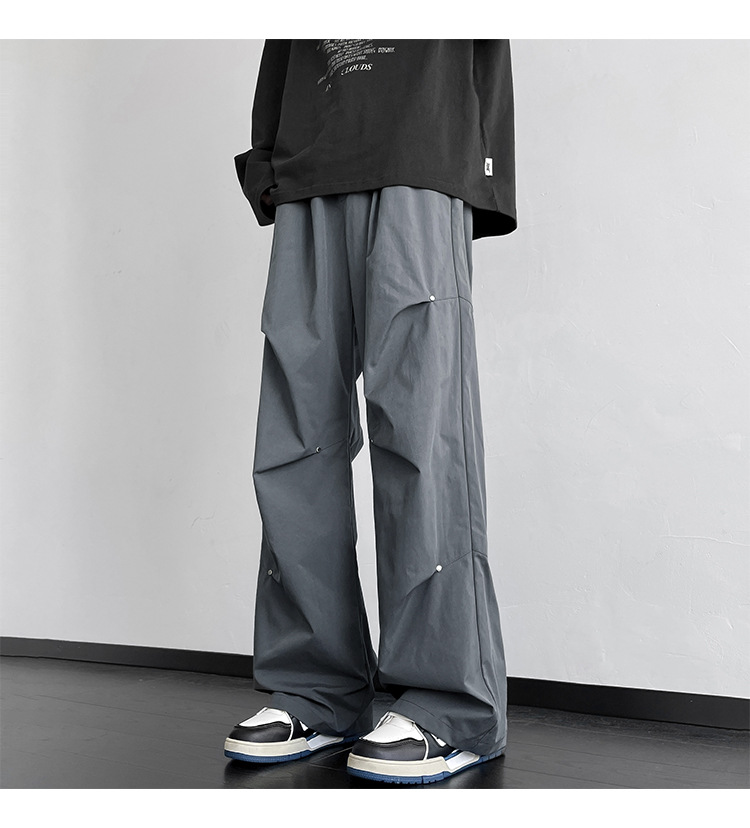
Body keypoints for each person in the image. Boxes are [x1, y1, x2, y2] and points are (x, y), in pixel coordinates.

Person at [224, 39, 517, 785]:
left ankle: (450, 704)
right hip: (310, 149)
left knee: (422, 428)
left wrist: (481, 161)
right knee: (295, 437)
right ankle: (315, 689)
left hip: (419, 144)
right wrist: (270, 157)